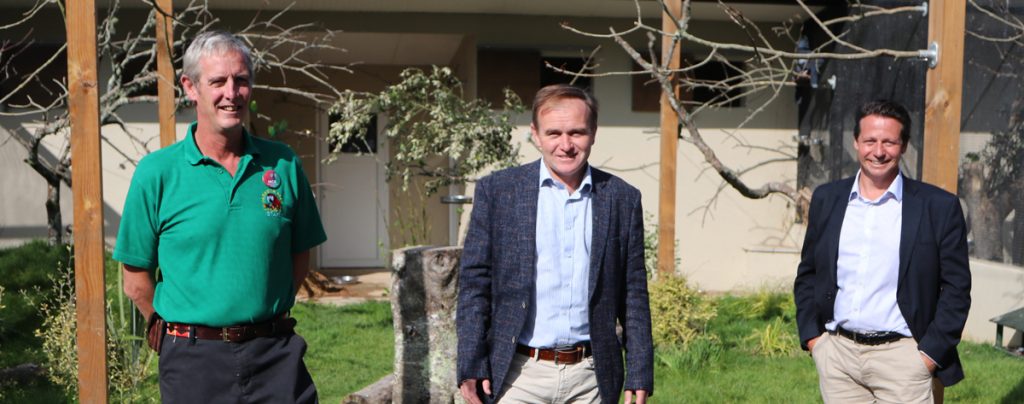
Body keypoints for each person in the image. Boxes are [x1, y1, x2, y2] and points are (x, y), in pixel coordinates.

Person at [114, 30, 326, 403]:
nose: (232, 92)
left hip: (275, 355)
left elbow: (299, 254)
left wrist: (263, 313)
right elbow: (135, 278)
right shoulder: (158, 173)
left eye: (241, 80)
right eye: (218, 82)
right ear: (190, 87)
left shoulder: (283, 164)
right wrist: (174, 332)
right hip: (194, 363)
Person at [456, 84, 654, 404]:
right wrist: (471, 363)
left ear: (593, 133)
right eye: (554, 133)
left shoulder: (622, 198)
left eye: (576, 132)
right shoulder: (499, 192)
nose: (566, 145)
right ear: (535, 134)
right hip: (517, 377)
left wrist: (639, 371)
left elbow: (633, 292)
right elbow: (474, 284)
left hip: (591, 378)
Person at [794, 99, 971, 403]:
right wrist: (814, 340)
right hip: (838, 358)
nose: (878, 151)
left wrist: (928, 356)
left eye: (889, 142)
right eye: (870, 141)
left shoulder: (938, 207)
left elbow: (957, 288)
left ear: (904, 145)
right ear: (855, 142)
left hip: (904, 360)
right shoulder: (827, 199)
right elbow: (808, 274)